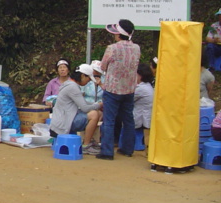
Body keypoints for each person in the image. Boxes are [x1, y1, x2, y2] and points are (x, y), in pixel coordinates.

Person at [97, 19, 141, 160]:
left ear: (118, 34)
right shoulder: (136, 48)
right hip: (129, 89)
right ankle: (128, 149)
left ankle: (107, 151)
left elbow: (103, 66)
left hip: (112, 89)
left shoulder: (112, 48)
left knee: (109, 120)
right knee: (128, 119)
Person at [49, 64, 103, 155]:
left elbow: (83, 103)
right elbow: (85, 108)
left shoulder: (69, 83)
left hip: (61, 121)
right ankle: (86, 145)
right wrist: (99, 105)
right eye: (88, 79)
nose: (88, 81)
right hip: (63, 124)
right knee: (94, 114)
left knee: (98, 112)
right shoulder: (73, 87)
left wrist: (97, 105)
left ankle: (88, 141)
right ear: (82, 76)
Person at [133, 63, 154, 155]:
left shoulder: (140, 88)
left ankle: (147, 151)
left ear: (140, 75)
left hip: (143, 117)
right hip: (146, 115)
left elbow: (129, 99)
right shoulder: (148, 86)